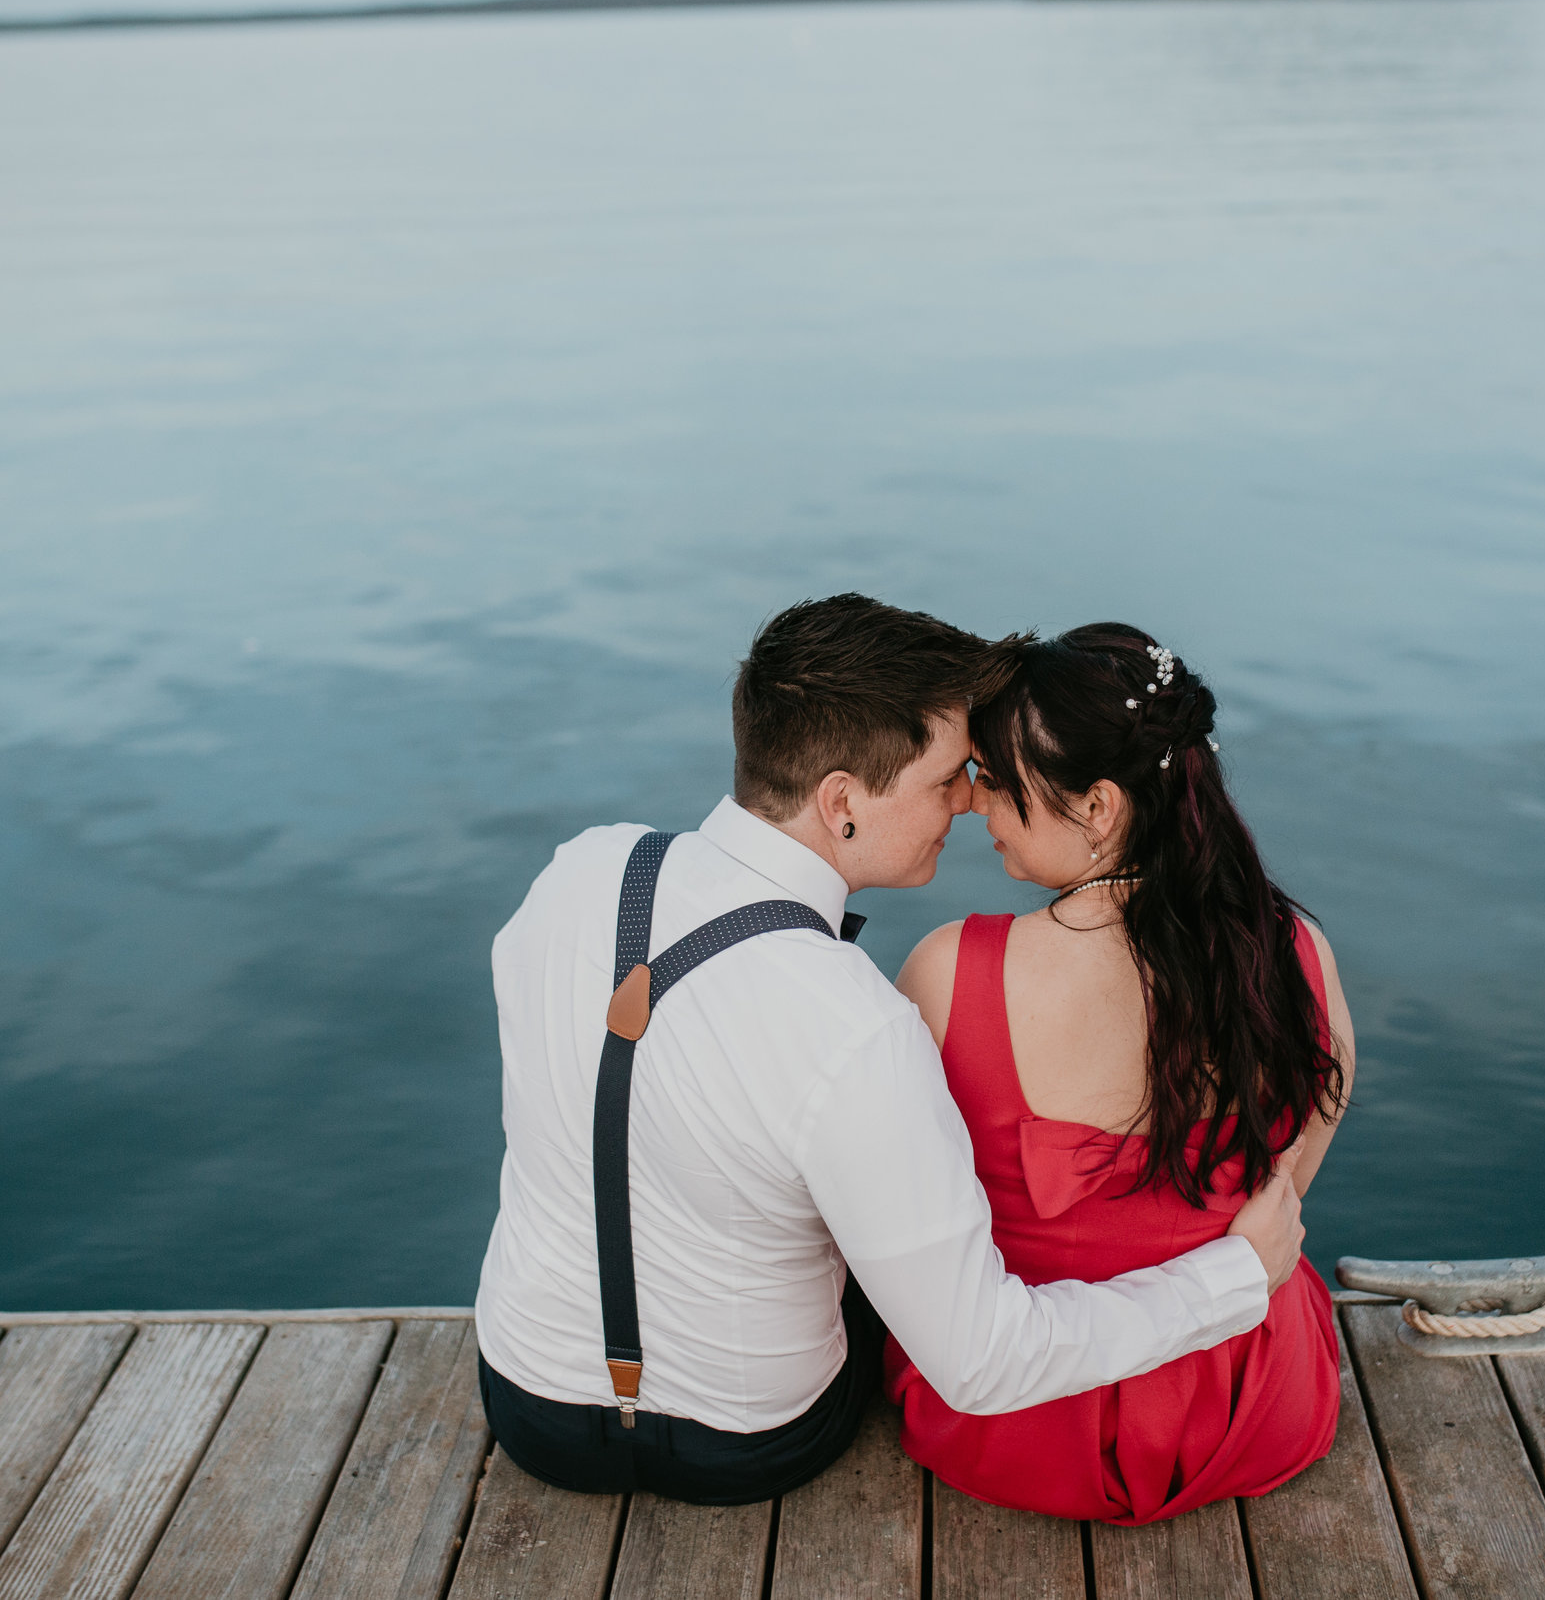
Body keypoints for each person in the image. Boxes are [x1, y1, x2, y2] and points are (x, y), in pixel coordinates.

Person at [473, 595, 1310, 1506]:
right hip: (750, 1444)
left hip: (527, 1402)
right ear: (842, 803)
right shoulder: (858, 1023)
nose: (969, 797)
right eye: (949, 774)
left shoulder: (578, 871)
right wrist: (1232, 1277)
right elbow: (982, 1363)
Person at [885, 624, 1355, 1525]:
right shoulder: (1292, 949)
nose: (978, 805)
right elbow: (1321, 1111)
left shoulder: (951, 972)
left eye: (999, 783)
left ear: (1099, 806)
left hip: (1021, 1419)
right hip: (1250, 1397)